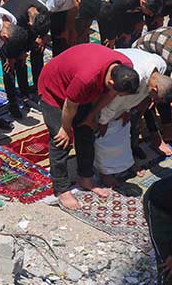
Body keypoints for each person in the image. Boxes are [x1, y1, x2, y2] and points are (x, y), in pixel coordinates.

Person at [38, 43, 139, 209]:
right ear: (111, 81)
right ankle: (61, 189)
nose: (119, 96)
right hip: (55, 90)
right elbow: (70, 106)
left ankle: (86, 178)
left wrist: (91, 116)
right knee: (61, 141)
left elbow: (110, 95)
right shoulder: (86, 78)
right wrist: (65, 128)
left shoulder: (125, 67)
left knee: (86, 132)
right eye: (118, 92)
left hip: (83, 92)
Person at [93, 48, 172, 182]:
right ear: (155, 89)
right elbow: (111, 101)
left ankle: (126, 163)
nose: (153, 101)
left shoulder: (161, 67)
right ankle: (105, 172)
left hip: (124, 96)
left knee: (124, 129)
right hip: (110, 84)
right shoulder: (133, 77)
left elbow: (137, 96)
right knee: (105, 134)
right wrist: (103, 121)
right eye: (156, 98)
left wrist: (127, 110)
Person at [27, 0, 107, 53]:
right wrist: (42, 36)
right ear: (77, 1)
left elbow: (73, 8)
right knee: (53, 36)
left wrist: (70, 27)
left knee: (67, 31)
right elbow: (46, 15)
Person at [99, 0, 165, 46]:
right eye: (149, 12)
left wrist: (128, 31)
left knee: (132, 32)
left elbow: (136, 10)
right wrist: (111, 37)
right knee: (109, 38)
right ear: (143, 3)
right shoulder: (125, 1)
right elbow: (110, 17)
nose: (150, 15)